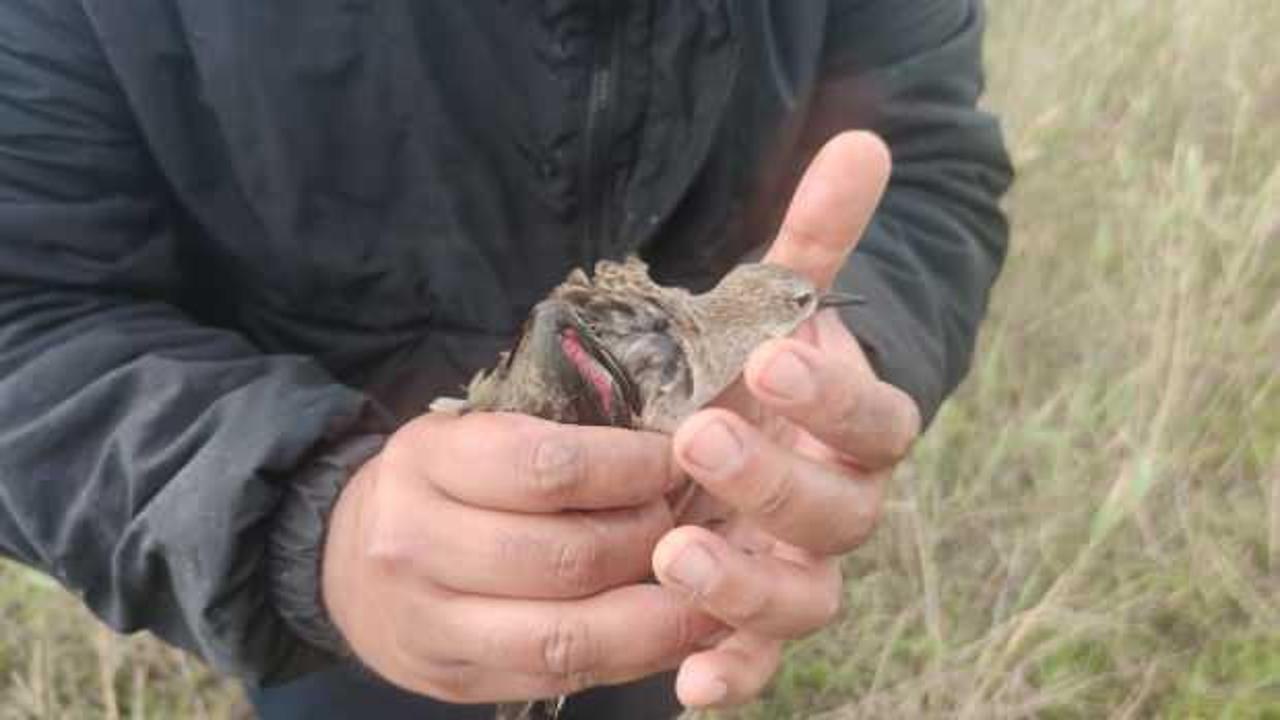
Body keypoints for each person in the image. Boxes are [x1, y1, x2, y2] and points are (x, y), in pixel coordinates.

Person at [0, 1, 1011, 718]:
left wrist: (836, 366)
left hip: (685, 545)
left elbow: (923, 164)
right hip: (339, 607)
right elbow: (27, 305)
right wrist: (307, 525)